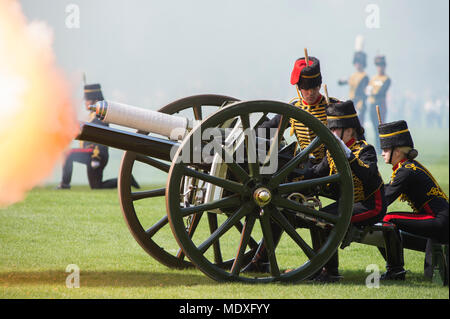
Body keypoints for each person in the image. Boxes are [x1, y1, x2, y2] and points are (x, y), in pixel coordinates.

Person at [242, 54, 339, 273]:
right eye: (306, 88)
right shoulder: (294, 108)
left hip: (331, 171)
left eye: (314, 86)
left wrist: (315, 172)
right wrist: (244, 138)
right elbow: (269, 127)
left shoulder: (334, 109)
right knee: (277, 206)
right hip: (307, 171)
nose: (311, 92)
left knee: (283, 206)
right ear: (299, 88)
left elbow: (346, 144)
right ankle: (261, 260)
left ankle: (324, 268)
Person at [302, 100, 387, 282]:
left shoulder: (365, 150)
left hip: (371, 205)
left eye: (335, 130)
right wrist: (297, 171)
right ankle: (320, 267)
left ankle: (330, 272)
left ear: (349, 130)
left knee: (327, 221)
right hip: (349, 204)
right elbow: (316, 173)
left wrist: (348, 154)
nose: (332, 134)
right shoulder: (331, 153)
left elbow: (368, 175)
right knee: (318, 217)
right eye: (330, 130)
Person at [378, 120, 449, 279]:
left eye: (385, 149)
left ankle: (395, 270)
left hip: (438, 220)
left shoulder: (406, 172)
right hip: (441, 219)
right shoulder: (408, 167)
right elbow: (387, 189)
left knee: (387, 219)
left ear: (397, 152)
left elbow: (385, 198)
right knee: (434, 277)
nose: (382, 153)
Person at [58, 83, 139, 190]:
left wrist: (96, 156)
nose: (85, 102)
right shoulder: (93, 115)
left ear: (95, 101)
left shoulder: (99, 117)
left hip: (95, 153)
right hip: (93, 154)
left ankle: (65, 185)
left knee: (68, 154)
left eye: (87, 99)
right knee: (96, 186)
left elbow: (100, 138)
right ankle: (126, 180)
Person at [367, 55, 391, 151]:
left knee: (380, 127)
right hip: (372, 105)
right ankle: (378, 147)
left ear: (384, 66)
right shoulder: (373, 78)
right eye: (378, 65)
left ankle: (382, 147)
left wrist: (372, 92)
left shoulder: (387, 79)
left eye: (381, 65)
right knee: (374, 127)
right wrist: (372, 92)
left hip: (381, 105)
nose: (380, 67)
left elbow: (381, 92)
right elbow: (367, 90)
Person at [338, 51, 369, 123]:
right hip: (352, 103)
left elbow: (364, 92)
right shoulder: (352, 76)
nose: (357, 64)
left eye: (359, 62)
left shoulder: (364, 76)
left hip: (360, 104)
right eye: (356, 62)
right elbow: (340, 82)